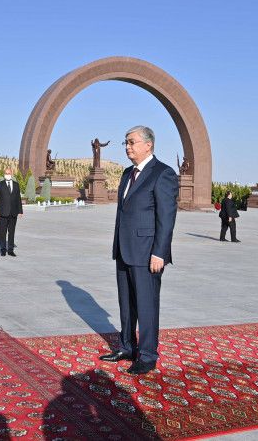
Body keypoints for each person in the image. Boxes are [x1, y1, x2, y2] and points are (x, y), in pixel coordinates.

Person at [100, 126, 178, 375]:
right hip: (124, 250)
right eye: (125, 143)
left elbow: (166, 218)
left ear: (148, 145)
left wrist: (160, 253)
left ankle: (147, 355)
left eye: (132, 142)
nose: (127, 147)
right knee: (127, 304)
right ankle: (126, 347)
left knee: (146, 305)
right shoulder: (126, 174)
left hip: (147, 254)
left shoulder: (162, 174)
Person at [0, 167, 23, 257]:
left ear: (12, 174)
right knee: (2, 232)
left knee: (11, 232)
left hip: (13, 213)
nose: (7, 175)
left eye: (9, 173)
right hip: (2, 212)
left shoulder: (16, 185)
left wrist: (20, 211)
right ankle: (2, 249)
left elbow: (18, 199)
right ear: (4, 174)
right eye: (6, 173)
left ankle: (10, 250)